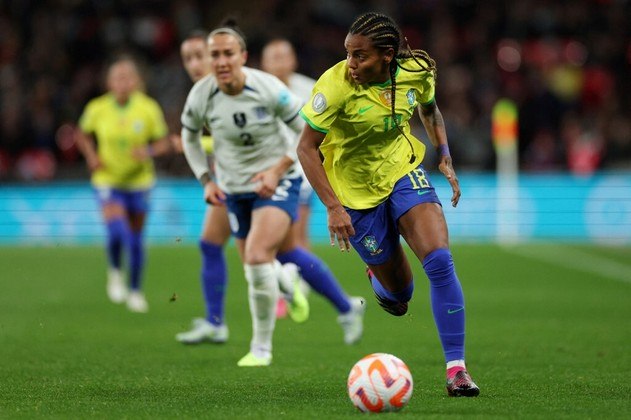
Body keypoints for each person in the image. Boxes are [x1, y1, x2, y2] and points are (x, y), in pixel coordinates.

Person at [297, 12, 480, 396]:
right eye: (347, 54)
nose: (350, 64)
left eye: (359, 56)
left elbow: (429, 108)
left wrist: (443, 153)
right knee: (400, 298)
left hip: (402, 170)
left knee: (440, 260)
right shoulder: (334, 86)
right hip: (353, 193)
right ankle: (381, 282)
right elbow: (306, 148)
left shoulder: (416, 71)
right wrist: (333, 207)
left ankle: (456, 370)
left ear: (387, 55)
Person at [180, 21, 365, 366]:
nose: (220, 61)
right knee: (265, 262)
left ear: (243, 57)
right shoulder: (201, 95)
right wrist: (206, 179)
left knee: (257, 254)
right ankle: (304, 288)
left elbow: (308, 137)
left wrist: (277, 170)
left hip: (281, 180)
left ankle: (261, 348)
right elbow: (189, 136)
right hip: (234, 189)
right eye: (214, 55)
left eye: (228, 54)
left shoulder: (270, 90)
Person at [76, 55, 172, 313]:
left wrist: (149, 152)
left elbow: (163, 142)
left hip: (139, 182)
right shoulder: (97, 108)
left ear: (137, 81)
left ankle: (136, 291)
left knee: (137, 239)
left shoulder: (148, 108)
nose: (123, 83)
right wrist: (92, 156)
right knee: (118, 231)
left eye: (128, 77)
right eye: (118, 78)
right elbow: (82, 134)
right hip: (108, 180)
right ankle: (115, 271)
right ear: (109, 82)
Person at [174, 31, 232, 344]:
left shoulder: (235, 88)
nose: (195, 64)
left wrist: (194, 143)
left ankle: (343, 304)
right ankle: (215, 322)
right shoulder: (203, 93)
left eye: (201, 55)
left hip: (261, 178)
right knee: (210, 244)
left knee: (273, 253)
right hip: (228, 179)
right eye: (188, 59)